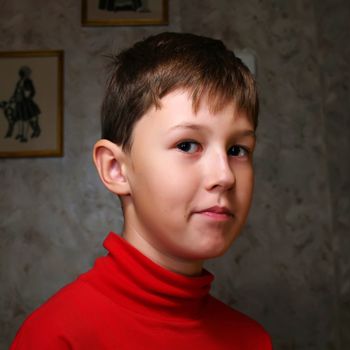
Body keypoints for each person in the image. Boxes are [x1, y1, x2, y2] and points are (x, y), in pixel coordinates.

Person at [10, 32, 272, 349]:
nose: (224, 175)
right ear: (116, 169)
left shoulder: (252, 340)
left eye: (238, 150)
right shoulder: (56, 336)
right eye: (188, 145)